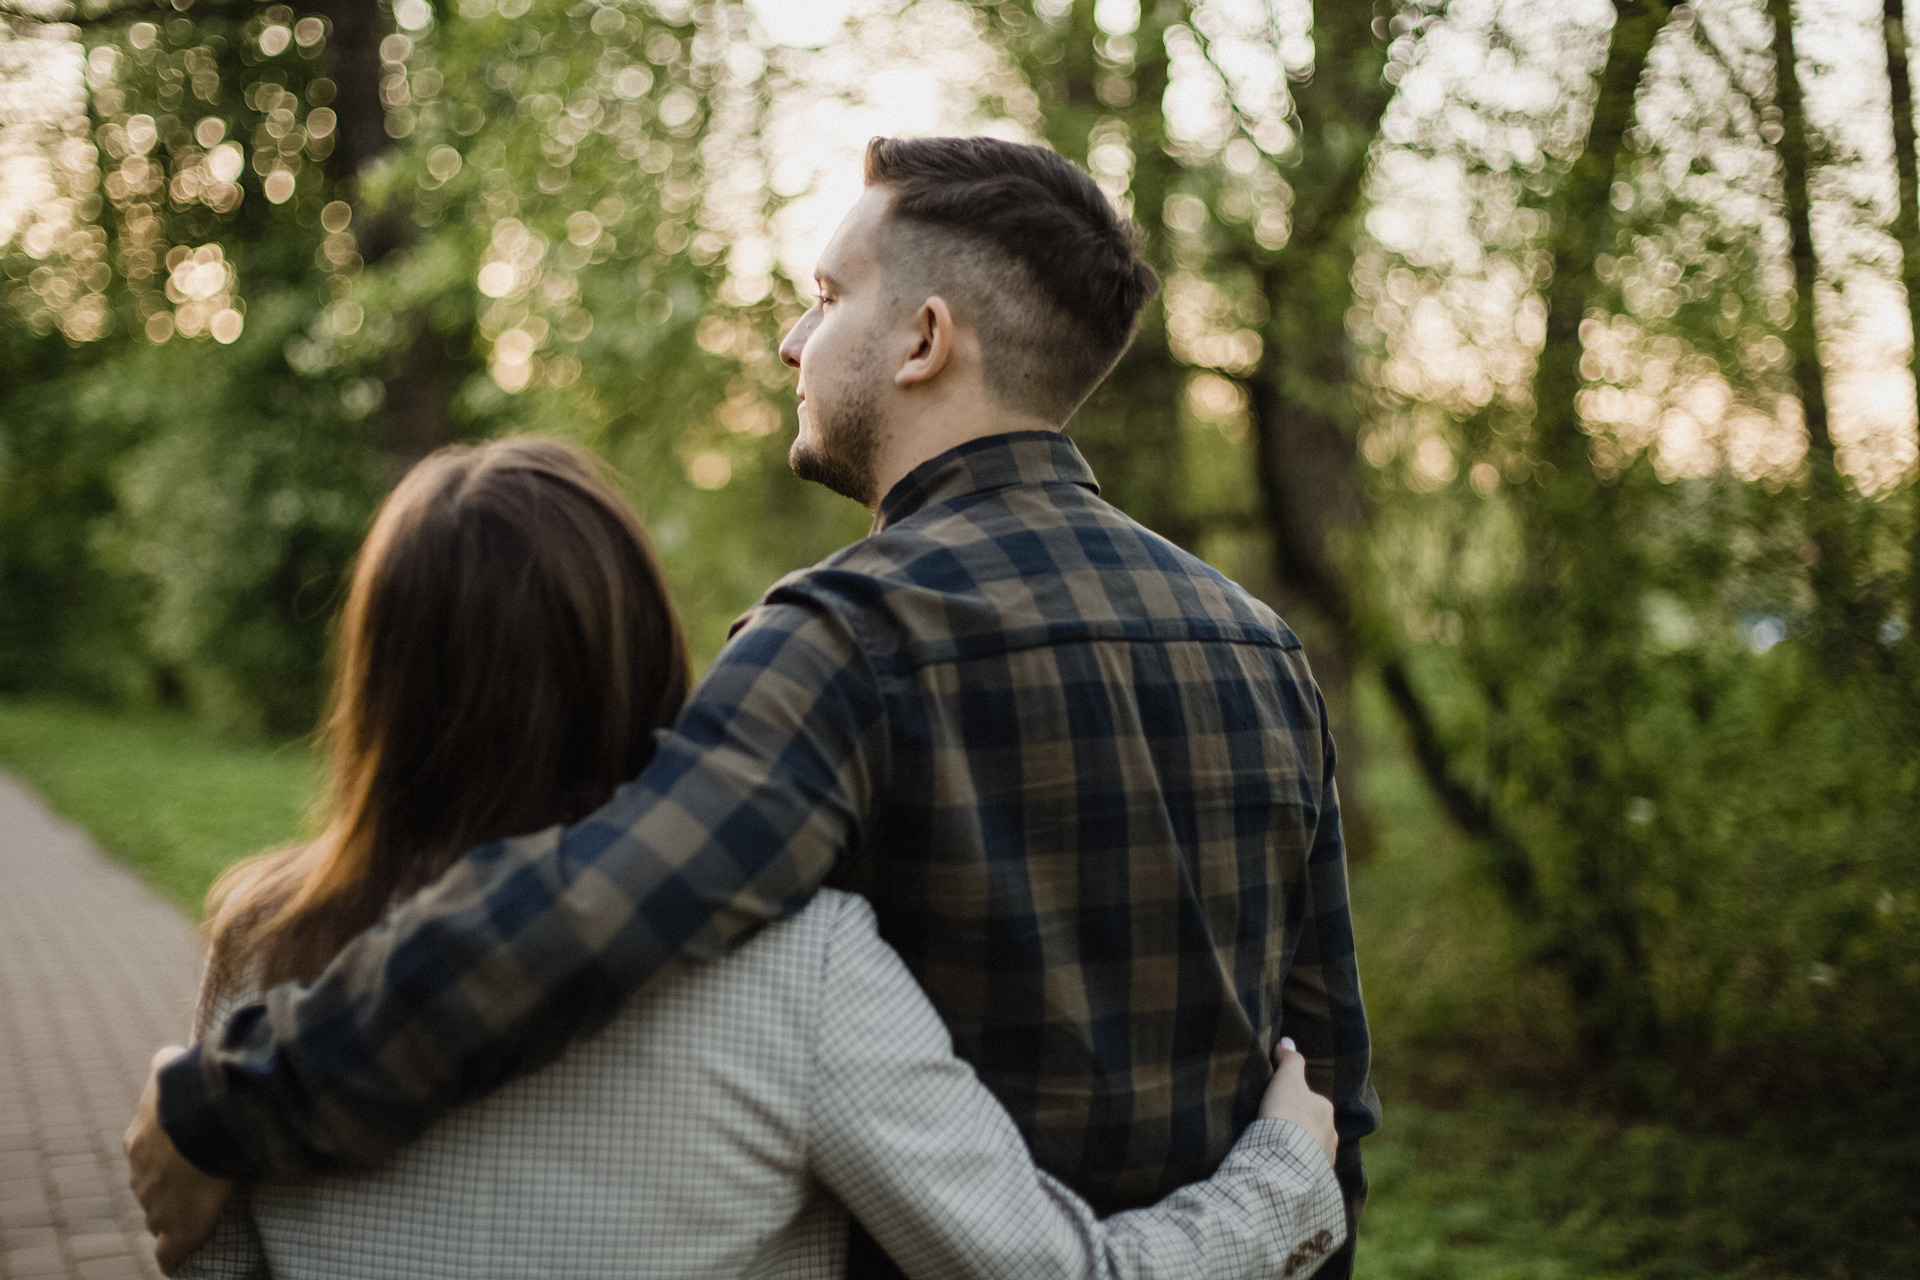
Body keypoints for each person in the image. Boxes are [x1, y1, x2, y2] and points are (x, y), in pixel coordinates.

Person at [129, 136, 1381, 1277]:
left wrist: (226, 1099)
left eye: (829, 299)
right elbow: (1327, 1086)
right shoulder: (1260, 644)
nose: (793, 340)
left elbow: (590, 912)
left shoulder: (843, 642)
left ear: (924, 339)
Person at [165, 436, 1347, 1280]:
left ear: (374, 677)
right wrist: (1286, 1179)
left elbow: (205, 1252)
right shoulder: (804, 970)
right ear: (641, 643)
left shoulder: (264, 939)